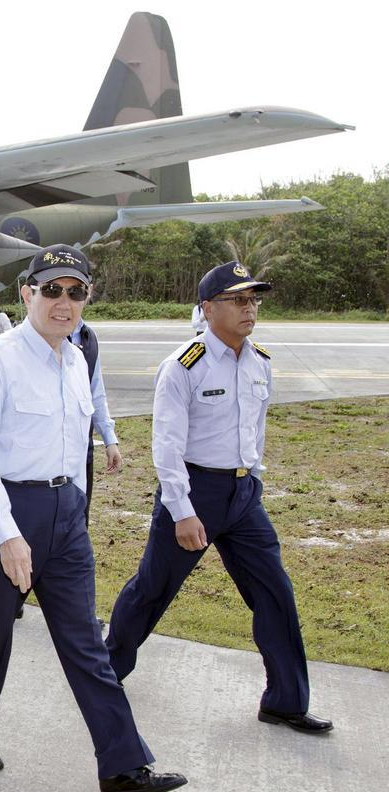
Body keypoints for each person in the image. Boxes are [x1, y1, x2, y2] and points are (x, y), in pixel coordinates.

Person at [0, 244, 187, 792]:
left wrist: (75, 501)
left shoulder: (76, 359)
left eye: (75, 291)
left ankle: (122, 766)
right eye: (51, 290)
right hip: (10, 513)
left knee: (86, 644)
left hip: (66, 514)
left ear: (87, 298)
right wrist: (6, 533)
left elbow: (75, 436)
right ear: (26, 293)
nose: (63, 302)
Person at [107, 261, 332, 735]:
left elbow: (255, 428)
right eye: (238, 300)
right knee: (152, 589)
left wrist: (254, 478)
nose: (250, 308)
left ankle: (285, 701)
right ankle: (104, 673)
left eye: (254, 300)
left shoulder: (260, 360)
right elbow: (165, 447)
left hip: (243, 494)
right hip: (195, 491)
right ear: (208, 309)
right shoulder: (183, 366)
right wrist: (183, 512)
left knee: (275, 593)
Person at [69, 317, 122, 523]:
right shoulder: (44, 337)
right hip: (47, 453)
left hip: (82, 448)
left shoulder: (88, 337)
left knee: (80, 521)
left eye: (79, 291)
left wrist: (109, 439)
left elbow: (95, 391)